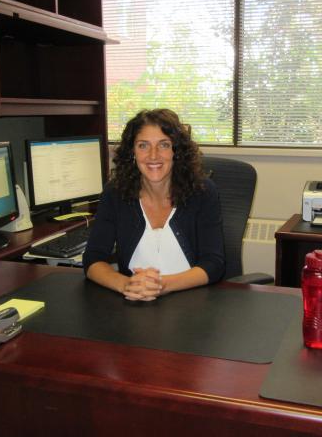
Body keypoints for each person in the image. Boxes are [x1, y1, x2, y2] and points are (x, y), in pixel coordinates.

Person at [83, 109, 225, 301]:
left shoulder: (202, 192)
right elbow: (93, 258)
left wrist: (162, 285)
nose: (153, 155)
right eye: (143, 145)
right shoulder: (115, 193)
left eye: (164, 145)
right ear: (132, 151)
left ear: (176, 151)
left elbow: (214, 263)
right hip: (133, 303)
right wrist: (126, 284)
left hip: (193, 305)